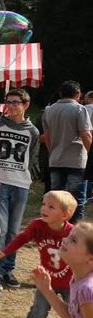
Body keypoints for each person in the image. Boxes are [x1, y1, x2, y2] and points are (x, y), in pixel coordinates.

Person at [0, 191, 77, 318]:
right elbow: (21, 238)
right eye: (43, 204)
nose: (44, 208)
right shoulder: (37, 225)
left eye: (51, 206)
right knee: (37, 313)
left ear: (66, 214)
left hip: (71, 284)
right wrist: (3, 253)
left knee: (75, 317)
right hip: (45, 282)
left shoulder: (73, 233)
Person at [0, 88, 40, 288]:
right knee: (1, 228)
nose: (12, 105)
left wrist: (23, 175)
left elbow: (30, 158)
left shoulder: (32, 131)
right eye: (9, 101)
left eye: (16, 102)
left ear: (26, 105)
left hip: (20, 184)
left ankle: (8, 269)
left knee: (14, 231)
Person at [33, 221, 93, 318]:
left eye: (73, 240)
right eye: (68, 236)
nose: (65, 240)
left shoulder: (88, 289)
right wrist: (47, 290)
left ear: (90, 259)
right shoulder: (77, 280)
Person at [43, 80, 93, 223]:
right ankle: (74, 231)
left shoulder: (49, 110)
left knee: (56, 199)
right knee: (76, 200)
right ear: (78, 94)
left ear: (60, 93)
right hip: (76, 160)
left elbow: (47, 136)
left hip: (55, 159)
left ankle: (55, 227)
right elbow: (86, 135)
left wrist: (52, 151)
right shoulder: (79, 109)